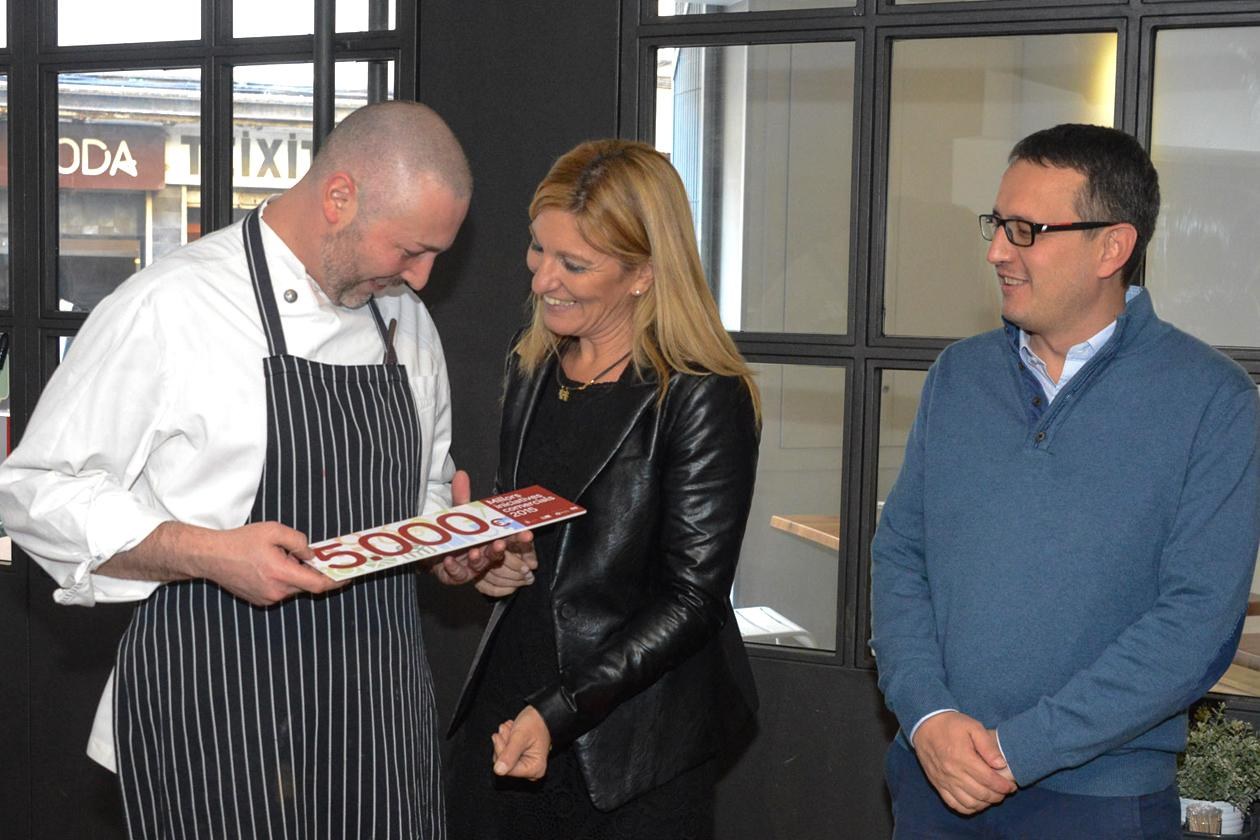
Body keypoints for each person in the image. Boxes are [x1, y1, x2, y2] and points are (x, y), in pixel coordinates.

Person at [0, 101, 489, 839]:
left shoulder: (404, 320)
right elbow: (34, 491)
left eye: (434, 257)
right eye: (409, 250)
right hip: (217, 715)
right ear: (339, 197)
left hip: (378, 718)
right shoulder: (173, 306)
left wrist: (449, 546)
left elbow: (420, 491)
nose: (421, 279)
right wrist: (208, 553)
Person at [870, 122, 1260, 838]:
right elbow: (901, 556)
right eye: (996, 224)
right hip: (932, 779)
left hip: (1098, 802)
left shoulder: (1213, 401)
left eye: (1026, 230)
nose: (997, 251)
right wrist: (927, 716)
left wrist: (1022, 749)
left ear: (1113, 247)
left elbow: (1195, 626)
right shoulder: (958, 376)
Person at [444, 138, 761, 840]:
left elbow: (692, 600)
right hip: (509, 707)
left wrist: (559, 710)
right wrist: (495, 560)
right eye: (539, 249)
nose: (542, 279)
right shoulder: (531, 365)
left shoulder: (701, 395)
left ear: (644, 273)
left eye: (574, 264)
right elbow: (531, 528)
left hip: (627, 745)